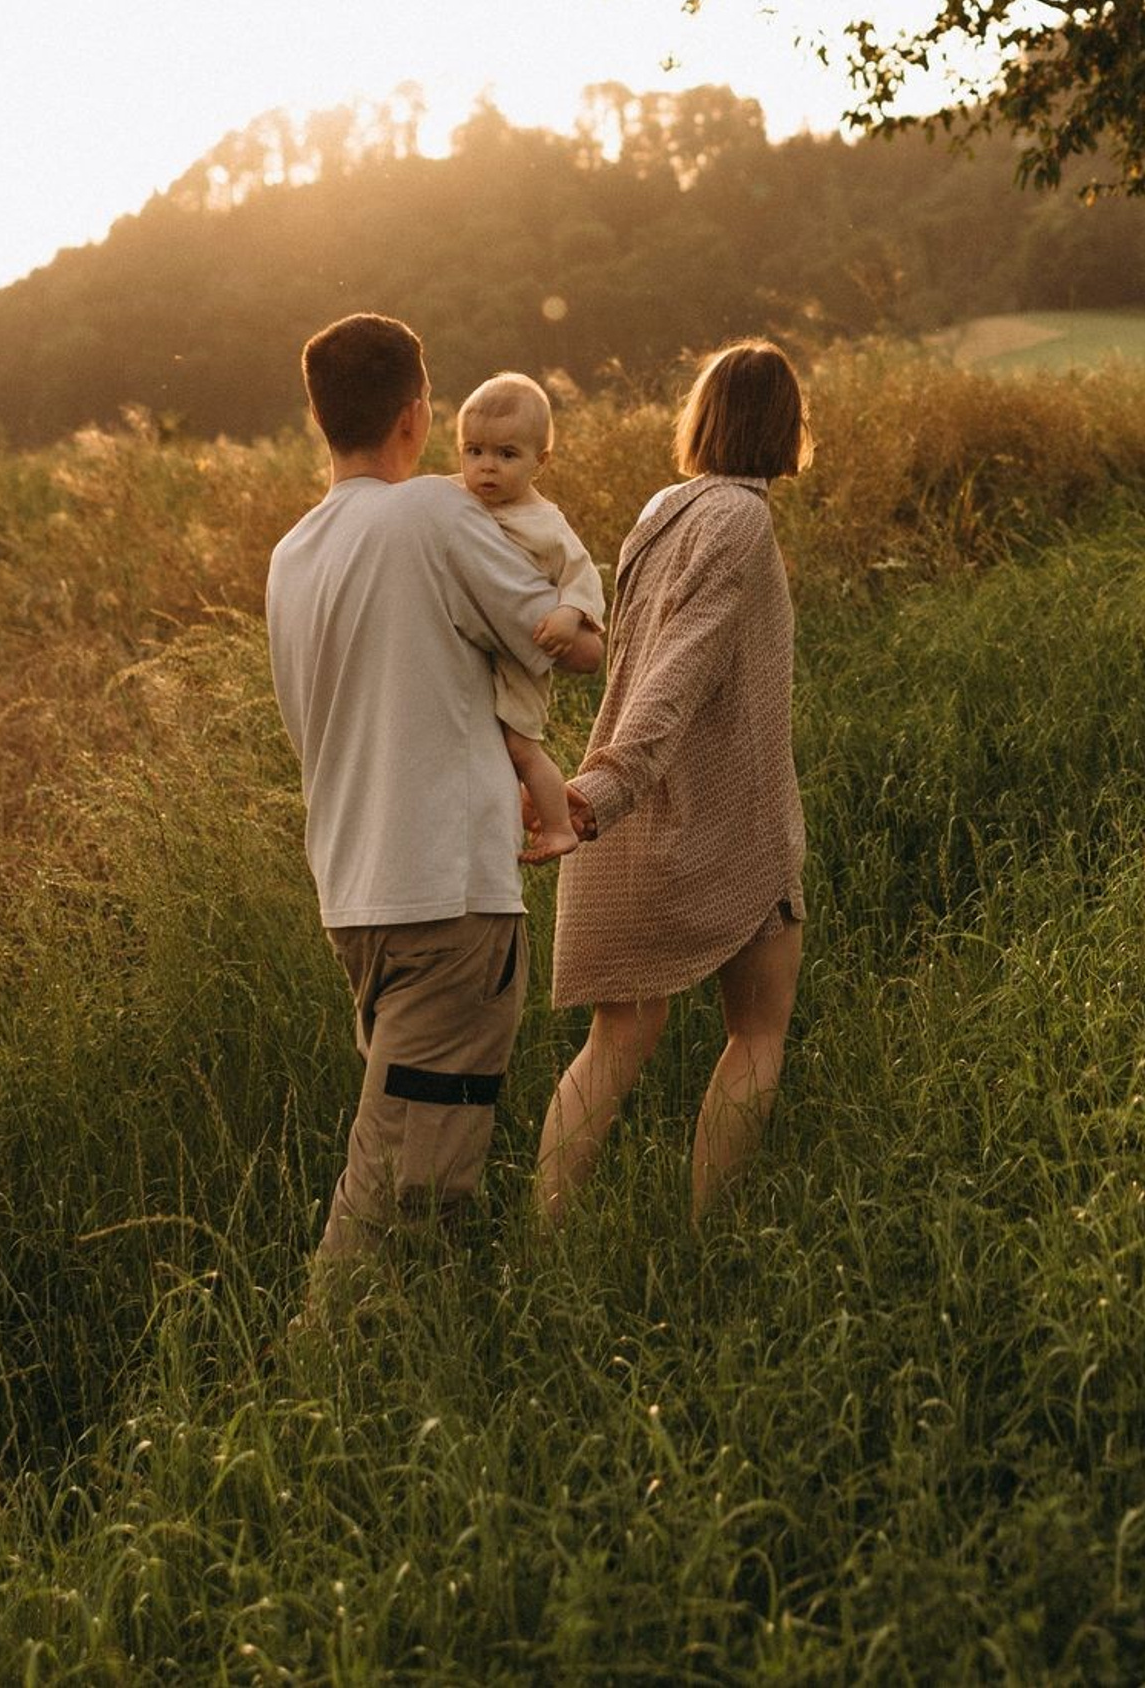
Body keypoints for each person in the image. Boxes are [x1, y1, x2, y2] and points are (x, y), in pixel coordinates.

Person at [264, 313, 601, 1277]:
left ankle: (411, 1380)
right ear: (416, 416)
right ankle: (321, 1395)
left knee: (415, 1164)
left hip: (355, 903)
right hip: (445, 901)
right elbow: (566, 643)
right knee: (406, 1192)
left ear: (319, 416)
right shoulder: (436, 513)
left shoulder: (293, 557)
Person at [537, 339, 810, 1227]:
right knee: (757, 1030)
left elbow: (634, 655)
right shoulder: (740, 519)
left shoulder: (663, 509)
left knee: (615, 1042)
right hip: (720, 819)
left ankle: (543, 1244)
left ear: (703, 417)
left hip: (630, 815)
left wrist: (599, 792)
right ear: (786, 424)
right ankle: (708, 1245)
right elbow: (677, 670)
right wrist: (600, 794)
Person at [455, 370, 606, 861]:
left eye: (506, 455)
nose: (486, 468)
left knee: (520, 746)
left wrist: (569, 612)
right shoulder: (460, 496)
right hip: (487, 647)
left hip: (527, 656)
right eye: (473, 451)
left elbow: (583, 579)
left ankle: (559, 827)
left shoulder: (546, 524)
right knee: (492, 744)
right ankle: (526, 813)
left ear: (540, 462)